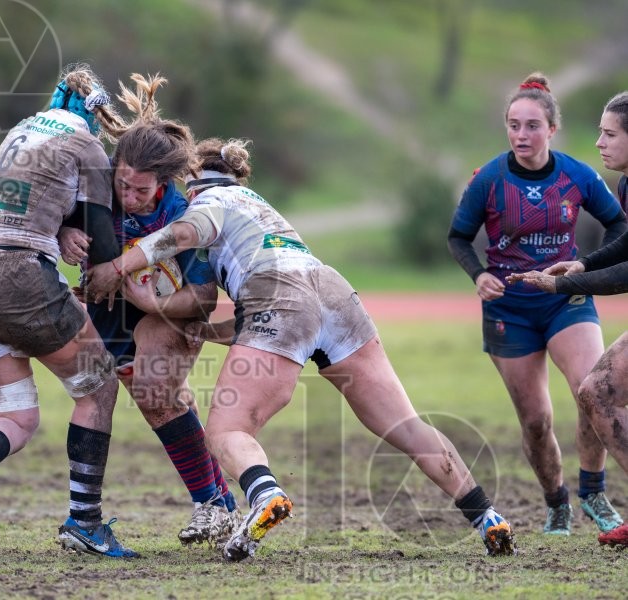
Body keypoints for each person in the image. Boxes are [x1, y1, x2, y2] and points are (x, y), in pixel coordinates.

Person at [86, 137, 517, 561]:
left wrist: (120, 267)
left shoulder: (209, 201)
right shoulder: (259, 206)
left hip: (279, 295)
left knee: (225, 432)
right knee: (405, 425)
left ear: (194, 181)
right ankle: (487, 516)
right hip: (332, 291)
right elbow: (267, 324)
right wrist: (205, 331)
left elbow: (187, 233)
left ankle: (265, 494)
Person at [0, 64, 140, 558]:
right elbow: (103, 238)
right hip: (18, 276)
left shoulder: (22, 129)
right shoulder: (86, 144)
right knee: (99, 385)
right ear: (94, 114)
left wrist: (59, 231)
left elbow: (28, 200)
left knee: (17, 413)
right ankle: (85, 522)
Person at [58, 74, 240, 545]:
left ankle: (209, 505)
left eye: (141, 191)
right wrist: (66, 236)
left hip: (168, 313)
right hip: (106, 314)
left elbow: (203, 299)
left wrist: (149, 301)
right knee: (159, 403)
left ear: (163, 184)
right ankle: (224, 506)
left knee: (156, 390)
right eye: (123, 186)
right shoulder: (96, 184)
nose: (129, 197)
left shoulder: (182, 213)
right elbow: (54, 214)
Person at [446, 73, 626, 537]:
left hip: (566, 299)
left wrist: (581, 269)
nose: (521, 135)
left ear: (552, 129)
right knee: (536, 421)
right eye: (513, 125)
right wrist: (479, 274)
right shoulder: (488, 179)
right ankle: (557, 504)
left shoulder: (578, 175)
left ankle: (593, 491)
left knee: (591, 391)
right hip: (510, 310)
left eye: (531, 126)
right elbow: (459, 237)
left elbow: (620, 229)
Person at [507, 90, 628, 548]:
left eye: (610, 133)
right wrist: (583, 265)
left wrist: (564, 286)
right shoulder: (627, 185)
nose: (599, 142)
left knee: (596, 390)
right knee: (596, 391)